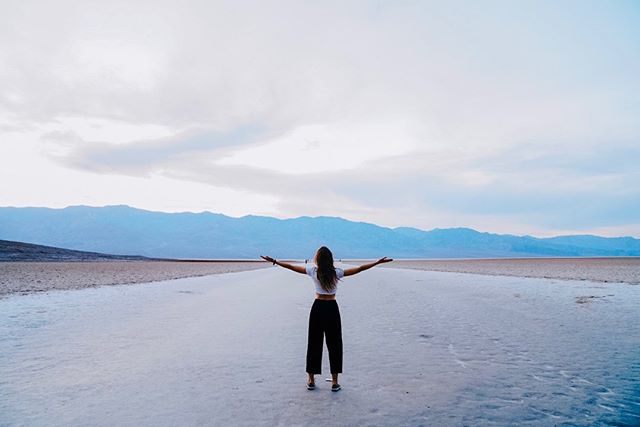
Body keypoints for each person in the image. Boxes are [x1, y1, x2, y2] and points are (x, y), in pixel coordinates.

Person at [261, 247, 392, 392]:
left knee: (314, 343)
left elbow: (291, 267)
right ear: (330, 259)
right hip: (332, 308)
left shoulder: (313, 271)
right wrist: (376, 262)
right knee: (335, 344)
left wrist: (274, 261)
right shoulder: (337, 273)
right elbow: (360, 268)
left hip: (317, 308)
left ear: (317, 258)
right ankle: (334, 382)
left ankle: (311, 380)